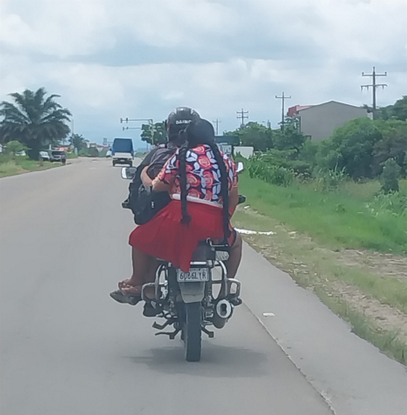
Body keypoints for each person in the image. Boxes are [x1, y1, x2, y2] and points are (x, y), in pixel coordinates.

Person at [111, 119, 242, 306]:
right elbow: (233, 197)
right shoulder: (225, 160)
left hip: (181, 218)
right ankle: (226, 291)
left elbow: (156, 186)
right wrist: (224, 221)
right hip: (214, 223)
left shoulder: (181, 156)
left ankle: (138, 282)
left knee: (139, 238)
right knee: (236, 243)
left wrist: (143, 174)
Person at [123, 107, 200, 213]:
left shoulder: (160, 153)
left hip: (164, 216)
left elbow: (146, 185)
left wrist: (143, 173)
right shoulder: (212, 156)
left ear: (169, 128)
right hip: (210, 217)